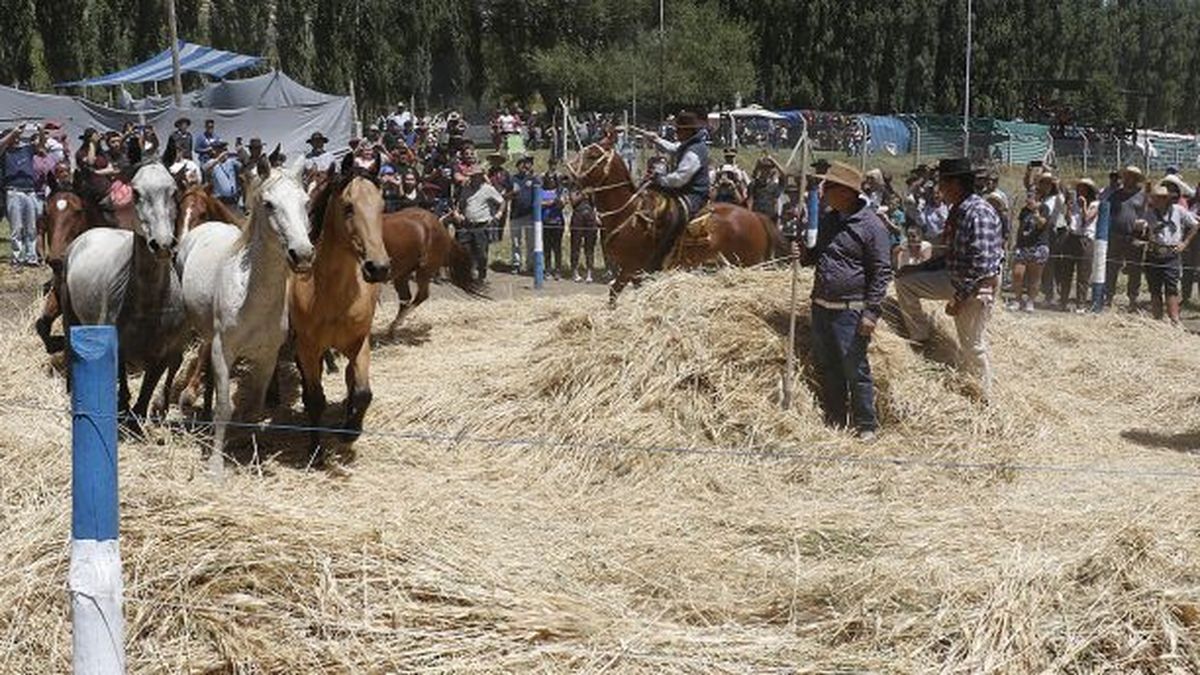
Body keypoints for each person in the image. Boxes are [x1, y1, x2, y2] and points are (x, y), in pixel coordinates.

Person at [796, 161, 892, 439]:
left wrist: (871, 313)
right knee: (828, 366)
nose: (823, 191)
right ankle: (836, 419)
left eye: (830, 186)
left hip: (851, 310)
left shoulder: (871, 225)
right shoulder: (830, 219)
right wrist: (801, 249)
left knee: (855, 368)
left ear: (847, 192)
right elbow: (815, 258)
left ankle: (866, 424)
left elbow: (882, 271)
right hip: (822, 306)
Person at [895, 158, 1003, 400]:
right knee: (904, 282)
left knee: (972, 344)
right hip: (955, 277)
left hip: (975, 287)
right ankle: (920, 336)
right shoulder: (959, 210)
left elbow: (983, 265)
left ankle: (984, 397)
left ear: (954, 184)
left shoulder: (979, 212)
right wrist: (918, 269)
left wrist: (960, 298)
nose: (938, 189)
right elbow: (951, 256)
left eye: (941, 183)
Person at [641, 111, 711, 271]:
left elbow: (680, 178)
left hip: (694, 194)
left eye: (679, 130)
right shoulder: (688, 144)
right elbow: (673, 148)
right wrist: (656, 139)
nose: (676, 132)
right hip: (682, 191)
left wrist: (659, 179)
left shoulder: (694, 151)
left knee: (674, 216)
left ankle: (665, 254)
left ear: (688, 131)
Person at [1134, 184, 1197, 323]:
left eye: (1160, 198)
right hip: (1154, 253)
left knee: (1171, 288)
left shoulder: (1179, 210)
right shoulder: (1149, 213)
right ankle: (1157, 320)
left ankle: (1174, 320)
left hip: (1171, 254)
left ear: (1166, 199)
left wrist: (1185, 243)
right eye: (1155, 197)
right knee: (1154, 289)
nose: (1157, 200)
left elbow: (1195, 225)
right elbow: (1139, 228)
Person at [1105, 165, 1148, 310]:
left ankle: (1133, 299)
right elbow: (1107, 210)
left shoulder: (1142, 195)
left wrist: (1143, 223)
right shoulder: (1116, 194)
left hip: (1134, 236)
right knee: (1112, 267)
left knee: (1134, 268)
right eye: (1127, 175)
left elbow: (1147, 212)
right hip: (1115, 235)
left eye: (1131, 176)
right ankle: (1108, 296)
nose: (1128, 178)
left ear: (1136, 179)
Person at [1, 124, 42, 266]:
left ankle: (31, 256)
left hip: (29, 191)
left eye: (17, 137)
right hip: (13, 191)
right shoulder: (5, 152)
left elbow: (41, 145)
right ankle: (17, 257)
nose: (17, 139)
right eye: (14, 137)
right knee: (16, 227)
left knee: (31, 227)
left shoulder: (27, 149)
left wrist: (41, 131)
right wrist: (13, 132)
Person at [455, 165, 505, 282]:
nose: (474, 178)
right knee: (466, 251)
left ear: (481, 177)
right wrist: (458, 213)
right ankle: (469, 274)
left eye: (476, 176)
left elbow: (502, 201)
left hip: (482, 225)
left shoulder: (487, 189)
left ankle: (482, 275)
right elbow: (460, 204)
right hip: (467, 225)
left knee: (481, 253)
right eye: (472, 176)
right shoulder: (466, 189)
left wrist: (499, 214)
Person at [1058, 178, 1098, 312]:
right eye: (1079, 187)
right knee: (1066, 271)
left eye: (1084, 187)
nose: (1081, 190)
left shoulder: (1095, 204)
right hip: (1072, 236)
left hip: (1086, 239)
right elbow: (1069, 220)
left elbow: (1087, 219)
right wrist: (1069, 209)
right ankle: (1063, 301)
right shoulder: (1074, 202)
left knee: (1083, 273)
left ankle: (1081, 304)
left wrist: (1084, 206)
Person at [1009, 193, 1051, 313]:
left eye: (1030, 198)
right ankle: (1017, 300)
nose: (1027, 200)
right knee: (1017, 273)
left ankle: (1030, 301)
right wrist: (1017, 242)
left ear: (1037, 199)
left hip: (1038, 246)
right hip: (1023, 246)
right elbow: (1021, 227)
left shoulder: (1044, 208)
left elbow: (1042, 223)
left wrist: (1036, 211)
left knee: (1035, 276)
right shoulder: (1024, 211)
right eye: (1027, 197)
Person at [508, 155, 535, 272]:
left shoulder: (534, 179)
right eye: (521, 164)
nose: (524, 166)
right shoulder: (512, 179)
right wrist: (512, 193)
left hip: (530, 215)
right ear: (517, 166)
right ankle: (516, 264)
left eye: (526, 164)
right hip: (515, 215)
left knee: (531, 242)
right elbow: (504, 196)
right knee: (516, 242)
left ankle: (531, 264)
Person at [569, 189, 600, 283]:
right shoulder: (575, 187)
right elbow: (573, 201)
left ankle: (589, 273)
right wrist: (583, 194)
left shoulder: (591, 187)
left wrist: (591, 194)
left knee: (590, 247)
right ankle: (575, 272)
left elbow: (595, 203)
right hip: (578, 216)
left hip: (590, 216)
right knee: (575, 245)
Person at [540, 174, 566, 279]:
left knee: (557, 247)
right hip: (545, 222)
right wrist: (551, 202)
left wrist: (558, 201)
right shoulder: (541, 191)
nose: (551, 181)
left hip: (557, 222)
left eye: (553, 179)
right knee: (547, 248)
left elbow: (563, 203)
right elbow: (539, 203)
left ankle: (558, 270)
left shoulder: (560, 191)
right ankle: (547, 269)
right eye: (549, 179)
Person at [205, 140, 243, 210]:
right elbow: (206, 168)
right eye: (219, 149)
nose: (222, 151)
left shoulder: (232, 162)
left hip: (233, 201)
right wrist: (218, 159)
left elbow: (243, 166)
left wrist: (240, 152)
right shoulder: (212, 163)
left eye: (224, 149)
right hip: (219, 201)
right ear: (214, 151)